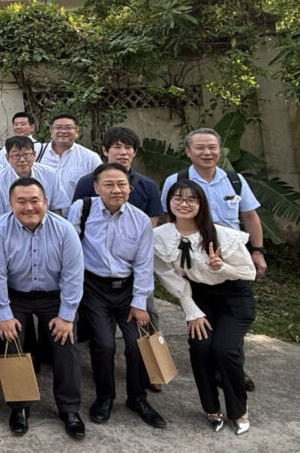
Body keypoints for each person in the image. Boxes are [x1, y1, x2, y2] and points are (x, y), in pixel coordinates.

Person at [68, 164, 166, 429]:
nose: (116, 190)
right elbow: (71, 248)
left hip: (127, 288)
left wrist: (139, 302)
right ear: (96, 187)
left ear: (129, 188)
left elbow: (144, 265)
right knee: (104, 344)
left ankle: (137, 398)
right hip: (94, 287)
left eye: (122, 184)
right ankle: (105, 397)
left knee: (136, 344)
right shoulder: (82, 209)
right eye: (108, 184)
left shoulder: (140, 220)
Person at [0, 178, 85, 440]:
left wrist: (67, 316)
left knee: (65, 345)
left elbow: (73, 276)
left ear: (46, 202)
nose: (29, 207)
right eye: (21, 201)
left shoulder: (64, 229)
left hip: (54, 295)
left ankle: (69, 409)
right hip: (15, 295)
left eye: (34, 200)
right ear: (10, 204)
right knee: (11, 343)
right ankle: (19, 407)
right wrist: (4, 315)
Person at [155, 181, 256, 433]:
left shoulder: (221, 235)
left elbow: (249, 272)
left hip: (234, 297)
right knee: (200, 347)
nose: (184, 204)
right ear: (169, 202)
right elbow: (168, 275)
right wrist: (191, 310)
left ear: (201, 204)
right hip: (199, 297)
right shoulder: (160, 236)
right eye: (177, 198)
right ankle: (211, 408)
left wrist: (222, 267)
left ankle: (238, 410)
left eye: (191, 199)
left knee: (225, 349)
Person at [159, 128, 265, 277]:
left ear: (220, 151)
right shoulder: (175, 181)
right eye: (200, 148)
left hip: (231, 251)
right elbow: (168, 218)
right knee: (195, 290)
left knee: (239, 289)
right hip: (193, 252)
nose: (207, 152)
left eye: (212, 147)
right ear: (188, 151)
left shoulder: (235, 180)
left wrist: (258, 251)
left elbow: (250, 216)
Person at [71, 128, 163, 223]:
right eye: (117, 147)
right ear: (105, 150)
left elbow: (152, 221)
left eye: (128, 148)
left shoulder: (148, 186)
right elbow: (77, 215)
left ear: (134, 152)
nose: (123, 152)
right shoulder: (87, 182)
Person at [0, 136, 70, 217]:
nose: (22, 159)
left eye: (26, 154)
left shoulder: (49, 174)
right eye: (16, 155)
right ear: (7, 158)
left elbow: (57, 208)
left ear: (34, 155)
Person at [35, 115, 103, 202]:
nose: (63, 131)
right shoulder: (36, 152)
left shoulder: (90, 158)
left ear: (77, 132)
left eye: (68, 127)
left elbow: (101, 185)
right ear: (51, 131)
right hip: (41, 209)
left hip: (76, 210)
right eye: (58, 127)